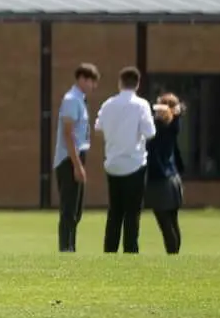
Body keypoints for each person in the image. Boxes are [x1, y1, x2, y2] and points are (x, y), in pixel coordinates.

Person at [96, 65, 155, 254]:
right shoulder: (141, 105)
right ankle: (130, 251)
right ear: (137, 84)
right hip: (134, 164)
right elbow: (150, 132)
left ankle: (109, 250)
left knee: (115, 211)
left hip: (113, 163)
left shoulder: (108, 104)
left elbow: (98, 127)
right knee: (132, 213)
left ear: (120, 83)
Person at [53, 60, 97, 253]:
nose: (93, 86)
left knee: (76, 211)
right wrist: (77, 164)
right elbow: (68, 133)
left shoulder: (79, 100)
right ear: (81, 79)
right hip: (68, 159)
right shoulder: (72, 99)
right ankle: (66, 250)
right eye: (91, 81)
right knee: (69, 210)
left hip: (77, 156)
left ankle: (71, 248)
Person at [146, 92, 185, 256]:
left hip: (161, 181)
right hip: (174, 178)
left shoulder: (158, 130)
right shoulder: (173, 126)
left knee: (165, 223)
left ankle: (172, 255)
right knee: (173, 221)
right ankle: (175, 255)